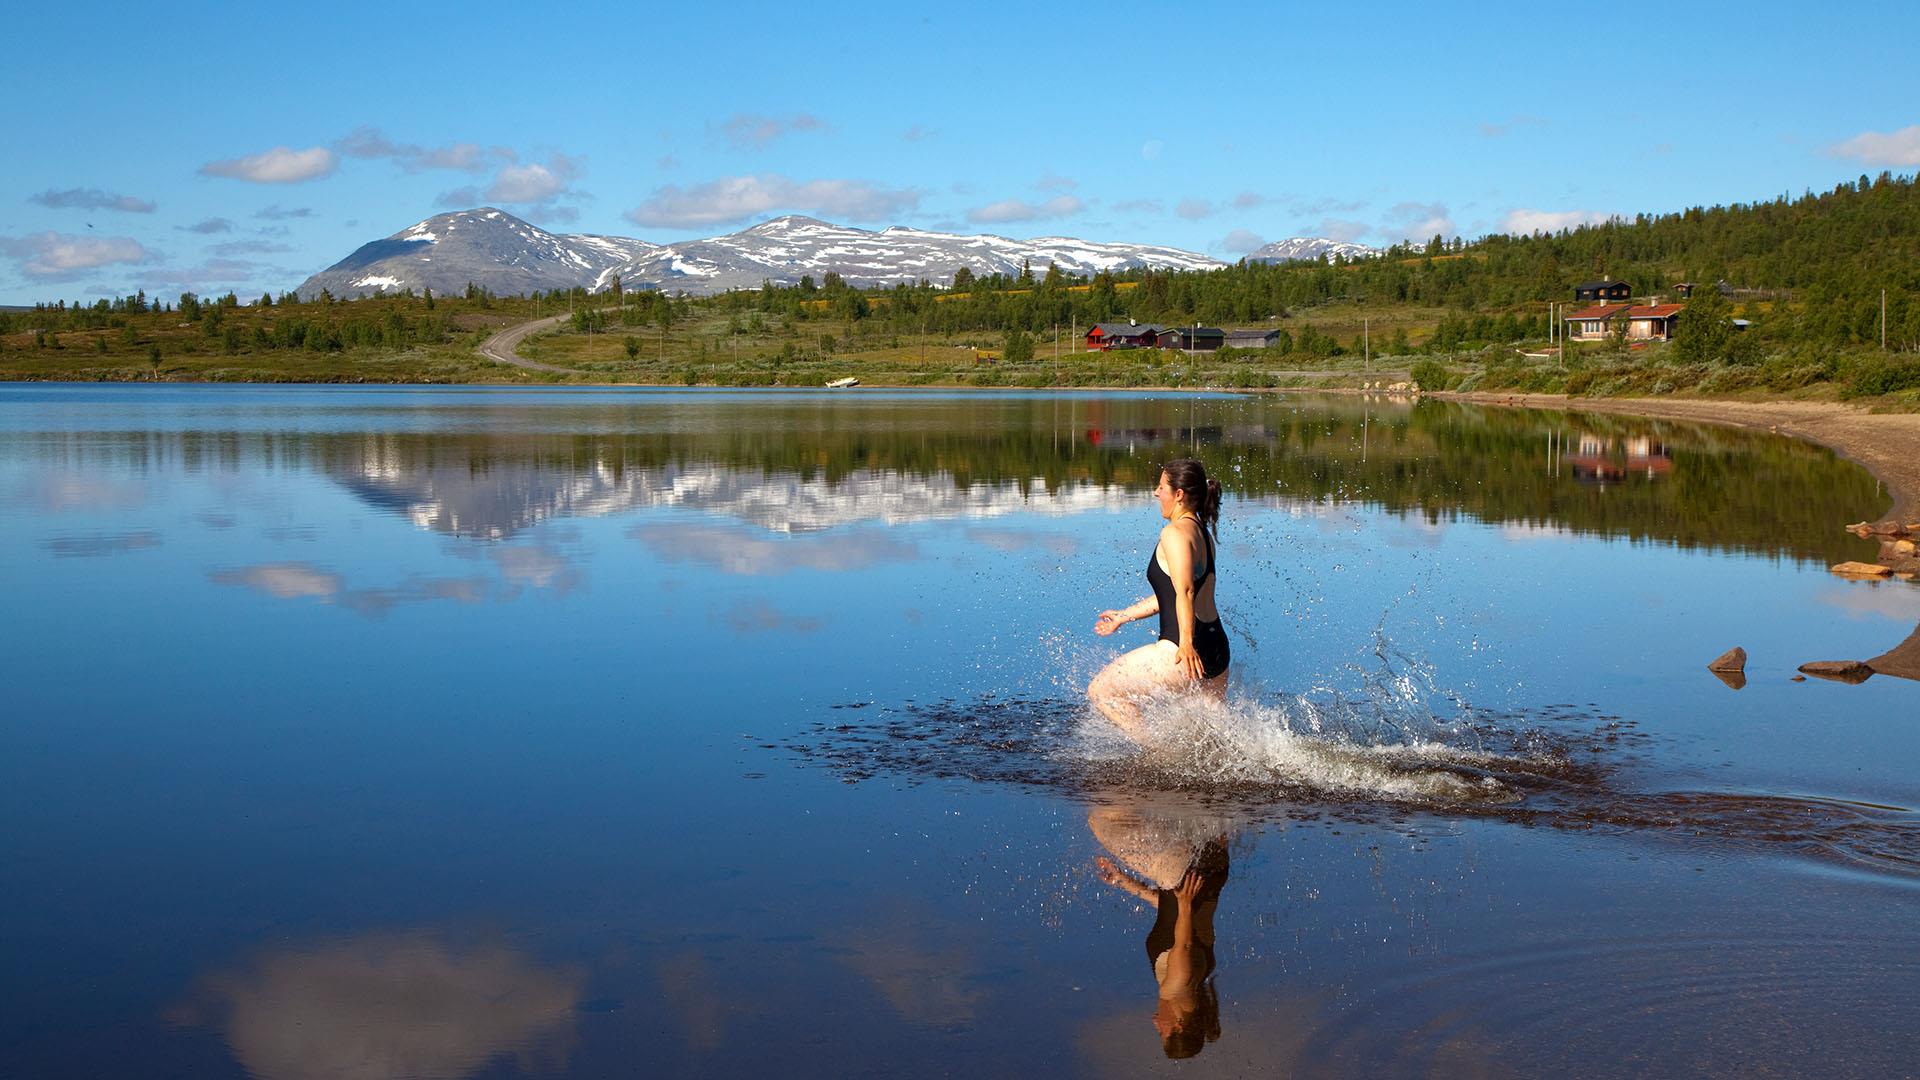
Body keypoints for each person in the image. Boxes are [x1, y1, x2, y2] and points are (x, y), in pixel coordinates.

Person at [1089, 458, 1229, 743]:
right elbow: (1174, 593)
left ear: (1178, 494)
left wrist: (1187, 644)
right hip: (1217, 648)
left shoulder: (1174, 533)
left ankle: (1158, 755)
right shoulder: (1202, 532)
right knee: (1208, 734)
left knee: (1101, 692)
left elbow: (1186, 591)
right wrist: (1124, 616)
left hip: (1183, 647)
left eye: (1161, 486)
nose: (1155, 492)